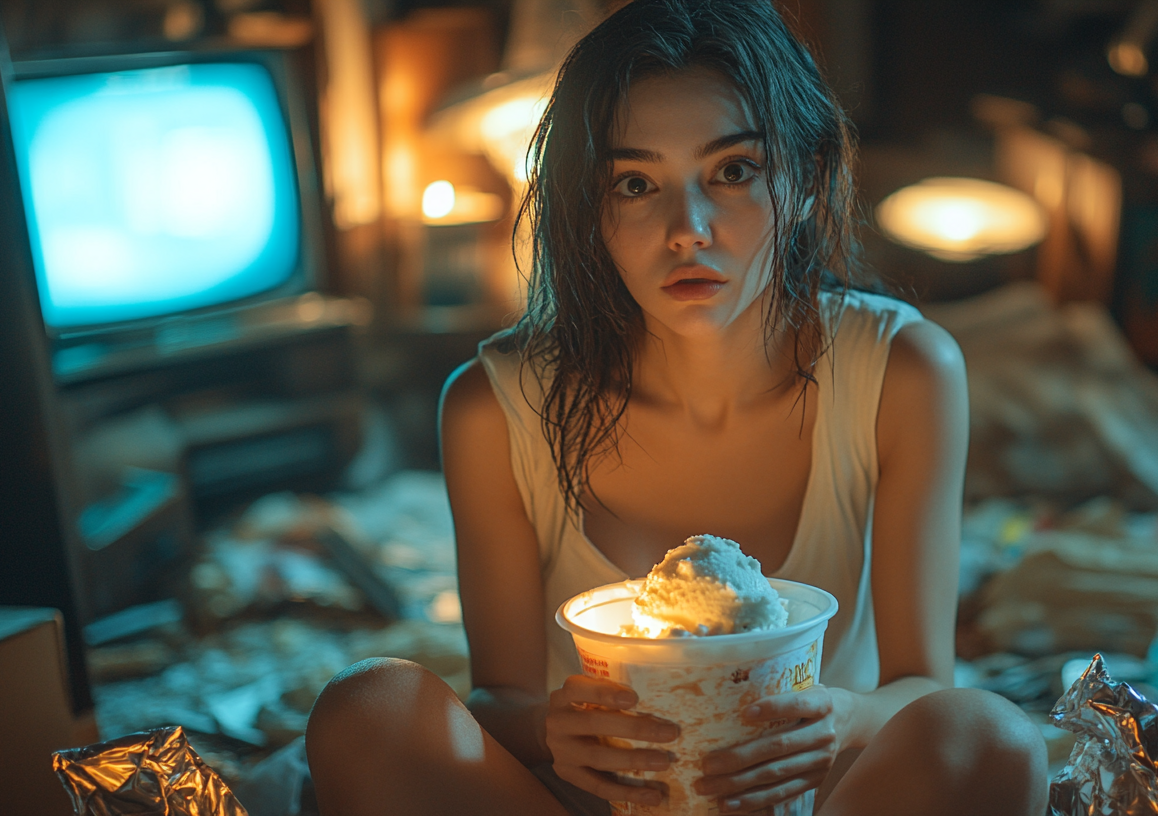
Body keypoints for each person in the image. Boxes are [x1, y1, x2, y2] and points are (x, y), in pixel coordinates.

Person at [305, 1, 1049, 813]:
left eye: (733, 171)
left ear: (808, 180)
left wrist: (844, 716)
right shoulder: (495, 408)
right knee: (366, 708)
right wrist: (557, 731)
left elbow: (920, 684)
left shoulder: (900, 372)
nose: (686, 230)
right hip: (603, 798)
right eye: (636, 184)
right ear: (592, 213)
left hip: (813, 789)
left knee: (991, 736)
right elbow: (500, 698)